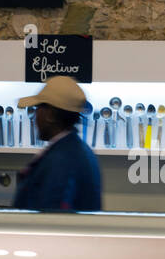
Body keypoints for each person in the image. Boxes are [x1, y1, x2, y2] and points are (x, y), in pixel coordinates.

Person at [14, 76, 103, 212]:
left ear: (50, 114)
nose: (35, 116)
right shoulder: (79, 150)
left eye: (38, 108)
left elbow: (52, 219)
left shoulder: (62, 159)